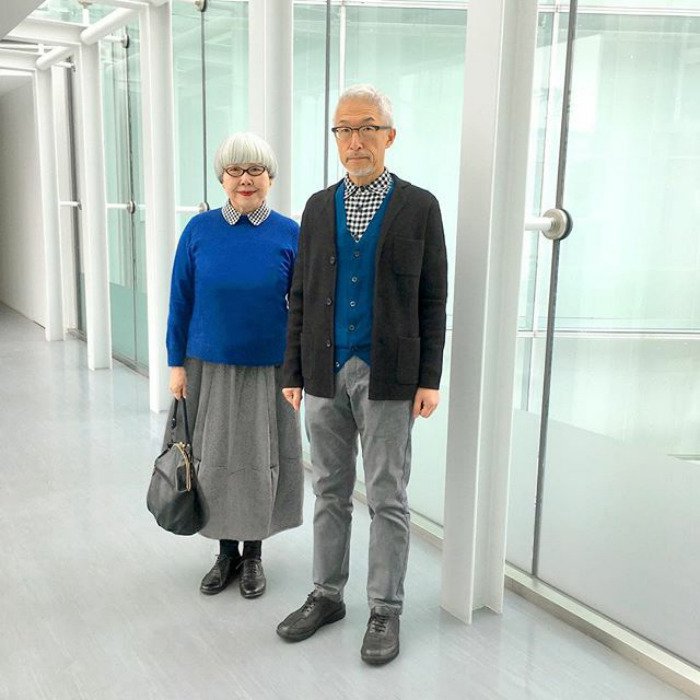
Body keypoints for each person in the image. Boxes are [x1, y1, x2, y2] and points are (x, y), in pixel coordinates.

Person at [276, 85, 448, 664]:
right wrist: (293, 368)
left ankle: (384, 608)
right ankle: (327, 594)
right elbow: (299, 294)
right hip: (325, 368)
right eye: (343, 130)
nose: (353, 140)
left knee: (387, 494)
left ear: (389, 136)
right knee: (328, 487)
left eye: (365, 128)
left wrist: (430, 377)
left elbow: (433, 298)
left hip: (390, 373)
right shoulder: (318, 207)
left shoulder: (420, 205)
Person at [166, 132, 303, 600]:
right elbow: (180, 299)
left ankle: (255, 556)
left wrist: (299, 370)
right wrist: (174, 363)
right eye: (235, 171)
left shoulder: (289, 233)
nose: (245, 180)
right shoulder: (199, 231)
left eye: (255, 171)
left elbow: (302, 307)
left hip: (271, 368)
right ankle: (225, 553)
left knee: (261, 459)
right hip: (208, 364)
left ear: (270, 178)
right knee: (216, 460)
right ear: (222, 178)